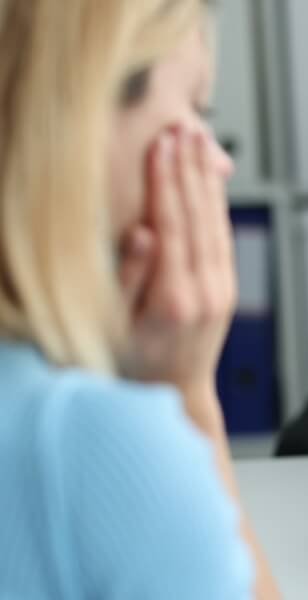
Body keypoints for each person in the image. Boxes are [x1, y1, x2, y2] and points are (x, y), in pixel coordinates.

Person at [0, 1, 280, 598]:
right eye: (196, 110)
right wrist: (187, 395)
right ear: (82, 119)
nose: (220, 159)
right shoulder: (94, 445)